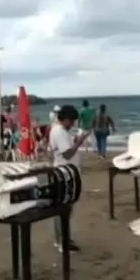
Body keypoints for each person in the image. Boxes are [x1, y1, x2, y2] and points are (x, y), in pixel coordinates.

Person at [48, 105, 84, 252]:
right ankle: (62, 241)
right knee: (64, 208)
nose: (73, 124)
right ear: (67, 119)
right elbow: (67, 154)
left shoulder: (58, 131)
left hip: (64, 172)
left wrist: (74, 141)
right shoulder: (60, 132)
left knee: (63, 208)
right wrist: (78, 143)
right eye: (72, 121)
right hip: (65, 174)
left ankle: (62, 239)